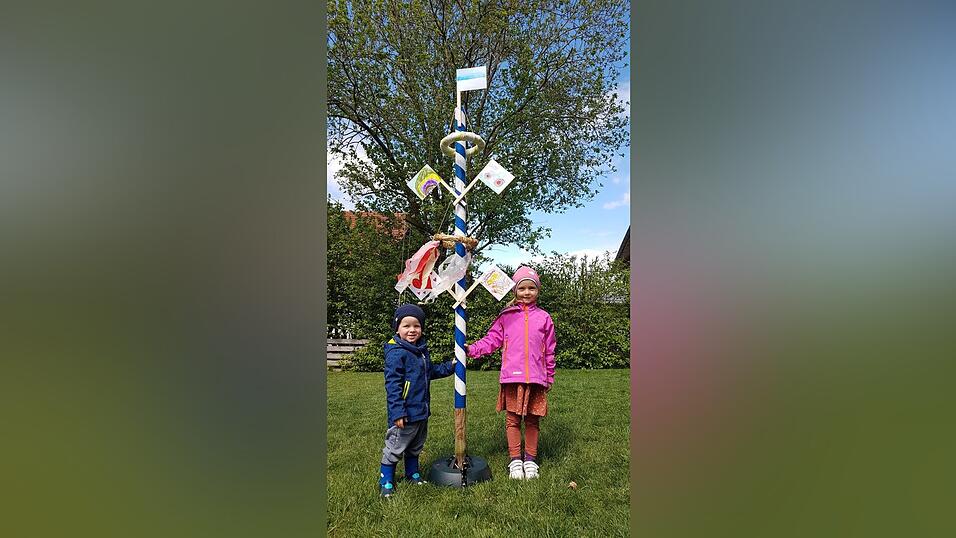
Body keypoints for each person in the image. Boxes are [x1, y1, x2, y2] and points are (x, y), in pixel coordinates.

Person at [466, 266, 556, 480]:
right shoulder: (506, 316)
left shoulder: (544, 318)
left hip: (536, 378)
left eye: (531, 288)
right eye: (522, 288)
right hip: (512, 377)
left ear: (538, 291)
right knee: (513, 419)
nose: (526, 292)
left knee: (533, 420)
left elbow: (550, 350)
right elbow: (492, 340)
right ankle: (515, 460)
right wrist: (472, 349)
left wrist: (549, 376)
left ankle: (530, 460)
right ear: (515, 290)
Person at [379, 304, 455, 497]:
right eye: (406, 326)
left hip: (421, 411)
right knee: (396, 446)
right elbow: (393, 386)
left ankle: (412, 473)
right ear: (397, 328)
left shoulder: (420, 350)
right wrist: (397, 412)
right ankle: (386, 479)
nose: (412, 330)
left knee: (415, 446)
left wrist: (451, 366)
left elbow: (430, 372)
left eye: (416, 326)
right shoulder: (397, 353)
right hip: (404, 413)